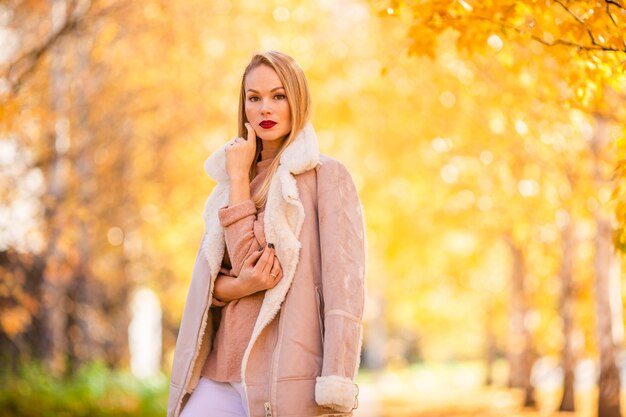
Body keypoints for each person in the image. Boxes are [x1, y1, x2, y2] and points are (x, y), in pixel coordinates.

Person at [167, 50, 366, 417]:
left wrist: (336, 380)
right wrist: (240, 286)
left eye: (278, 96)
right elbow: (213, 283)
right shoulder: (229, 183)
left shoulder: (325, 177)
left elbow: (345, 291)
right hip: (220, 370)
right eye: (254, 98)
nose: (265, 109)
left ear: (298, 100)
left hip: (285, 379)